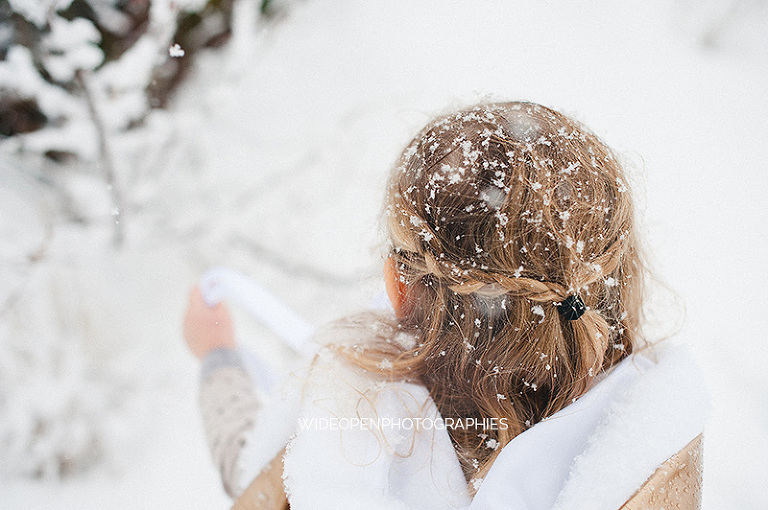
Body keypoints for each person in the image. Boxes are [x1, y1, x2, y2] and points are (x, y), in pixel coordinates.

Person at [183, 102, 708, 510]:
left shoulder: (343, 434)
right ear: (615, 279)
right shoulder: (650, 447)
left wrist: (218, 356)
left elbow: (256, 475)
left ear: (398, 284)